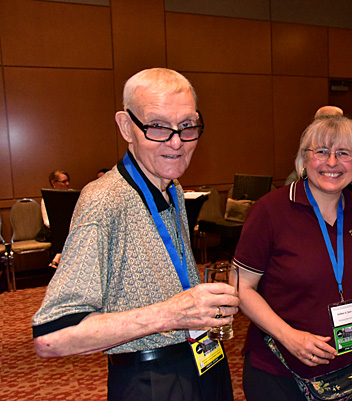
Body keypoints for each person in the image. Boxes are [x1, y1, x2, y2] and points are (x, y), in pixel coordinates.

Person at [32, 68, 238, 401]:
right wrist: (172, 313)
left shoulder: (172, 187)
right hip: (150, 380)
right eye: (157, 126)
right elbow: (51, 336)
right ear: (127, 127)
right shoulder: (103, 200)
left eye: (187, 126)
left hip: (202, 362)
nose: (176, 142)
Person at [234, 115, 352, 401]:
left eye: (344, 153)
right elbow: (241, 287)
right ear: (303, 159)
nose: (332, 162)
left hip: (347, 369)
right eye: (321, 151)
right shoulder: (270, 210)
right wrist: (289, 337)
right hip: (280, 372)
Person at [42, 170, 71, 268]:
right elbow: (47, 222)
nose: (67, 184)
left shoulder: (71, 195)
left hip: (69, 228)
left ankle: (58, 257)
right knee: (62, 233)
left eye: (68, 181)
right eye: (63, 182)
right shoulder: (47, 198)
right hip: (53, 230)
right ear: (53, 183)